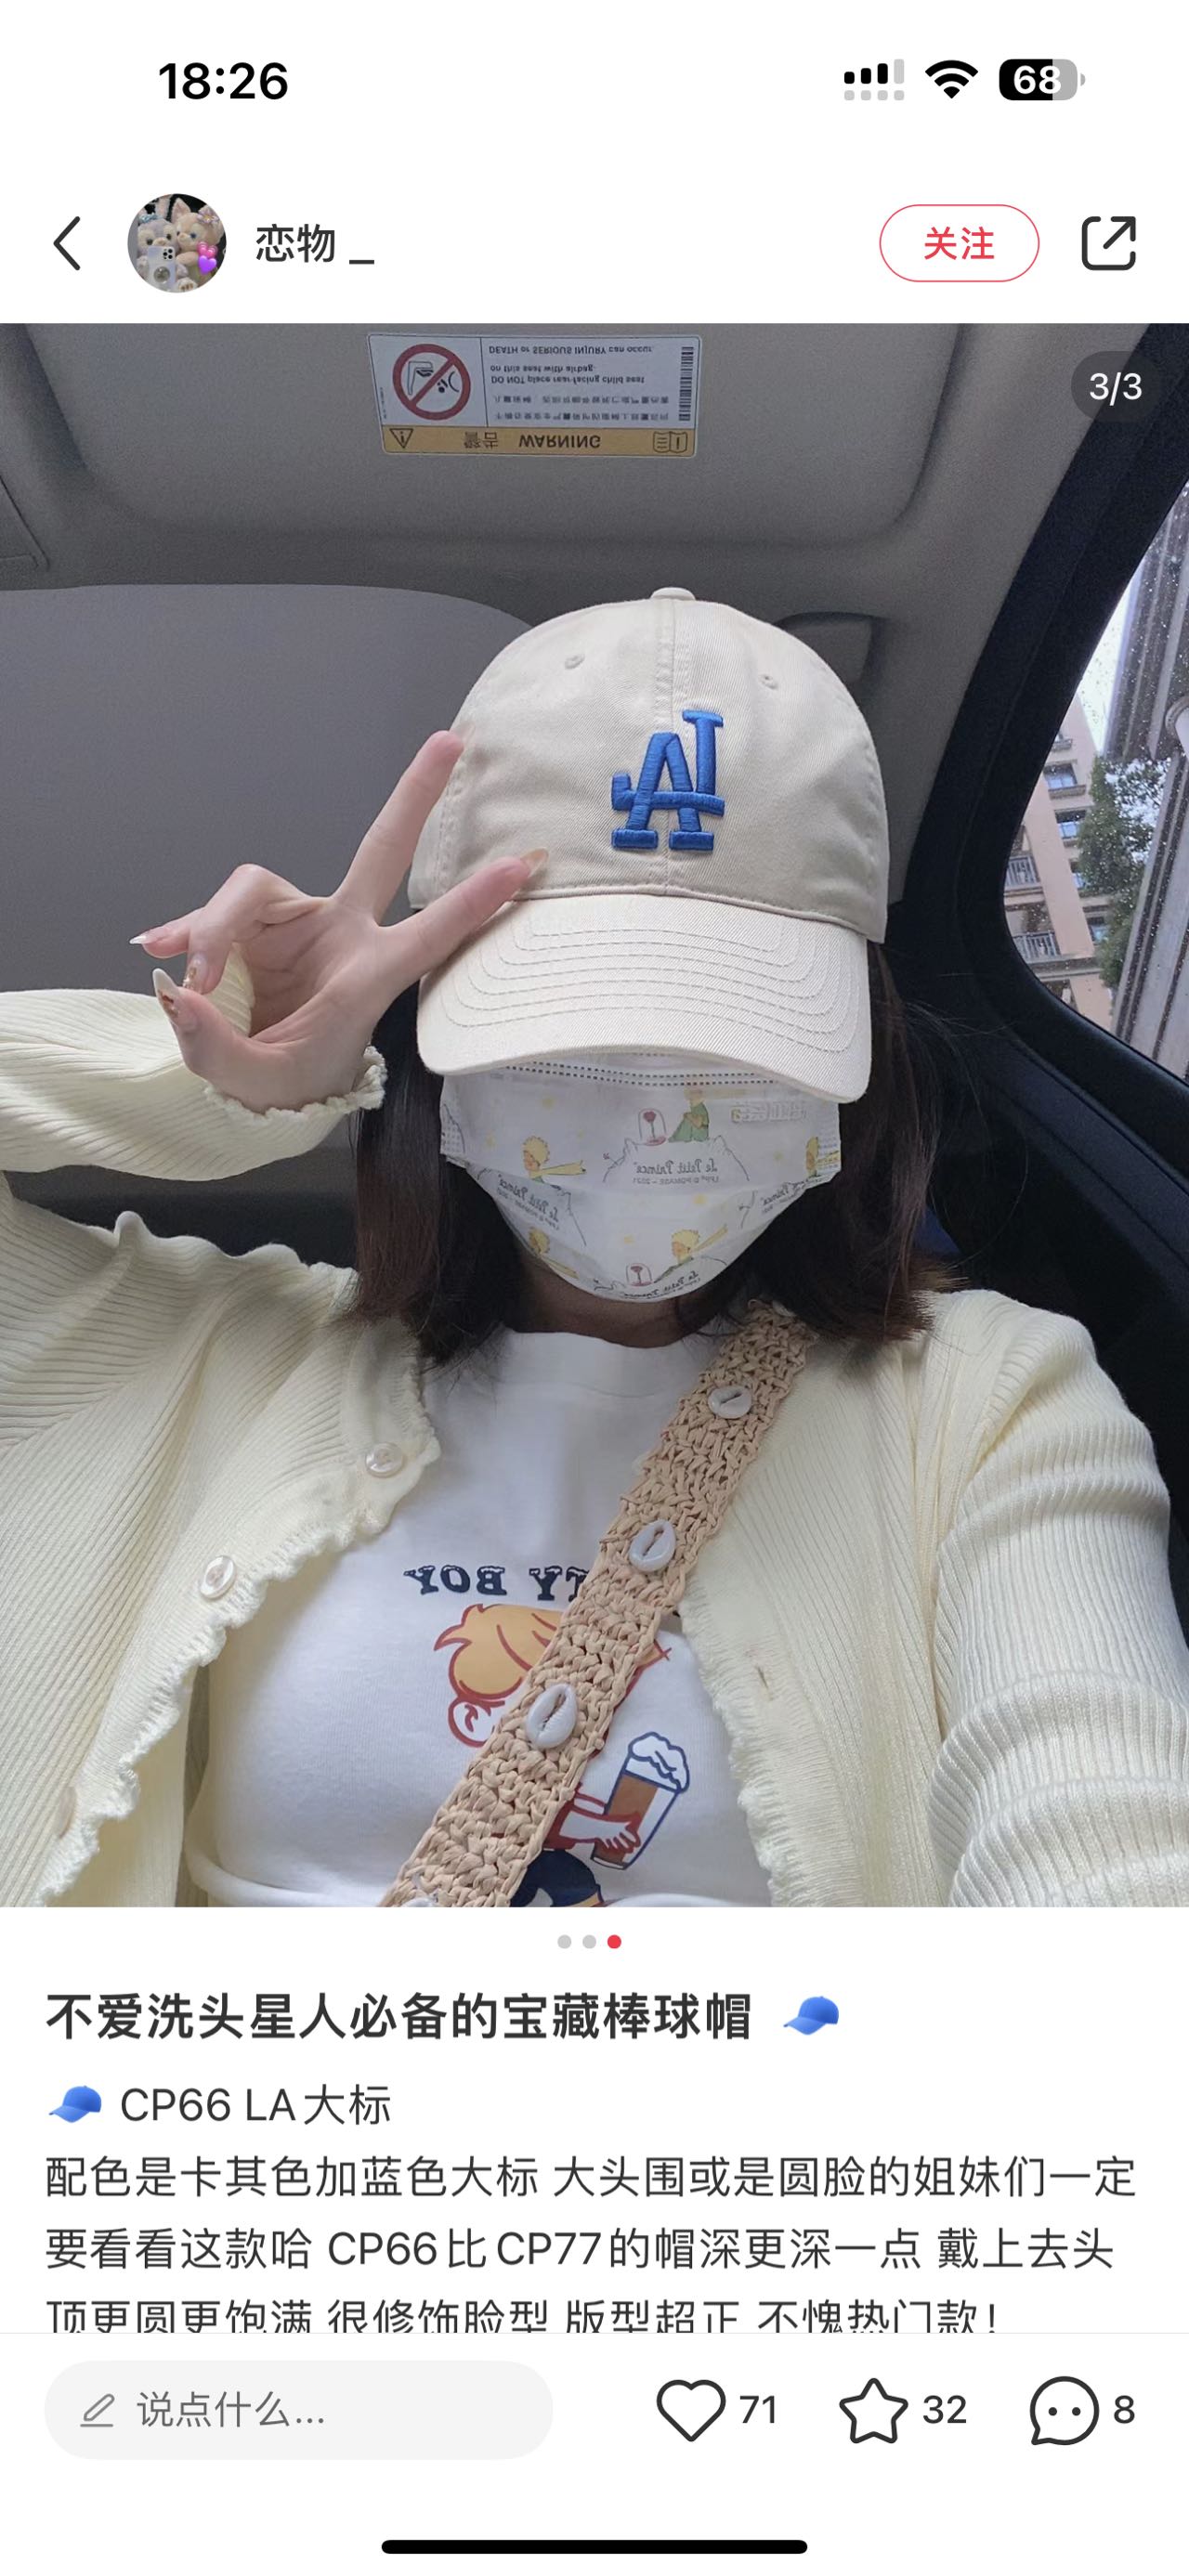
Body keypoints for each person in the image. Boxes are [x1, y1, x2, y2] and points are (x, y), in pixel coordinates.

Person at [3, 588, 1188, 1908]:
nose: (649, 1118)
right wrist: (221, 1081)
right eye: (568, 1035)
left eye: (727, 1041)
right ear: (429, 1044)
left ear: (853, 1062)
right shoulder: (210, 1358)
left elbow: (1110, 1846)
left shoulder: (989, 1404)